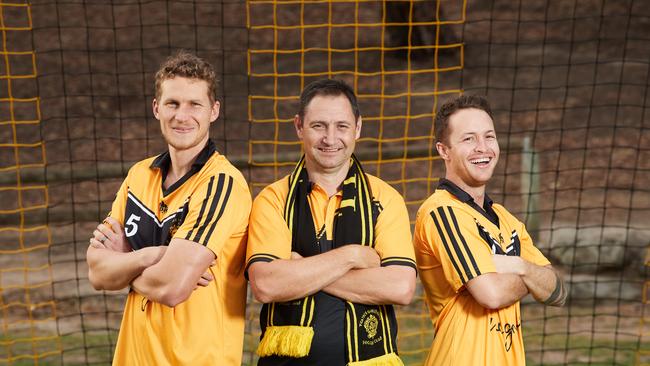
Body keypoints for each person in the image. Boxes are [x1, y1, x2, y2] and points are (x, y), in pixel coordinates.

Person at [85, 51, 251, 365]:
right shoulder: (139, 175)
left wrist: (125, 263)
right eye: (173, 103)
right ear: (156, 108)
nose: (182, 115)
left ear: (213, 111)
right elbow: (96, 273)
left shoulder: (222, 183)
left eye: (195, 104)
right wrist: (152, 256)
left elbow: (173, 287)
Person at [246, 79, 417, 366]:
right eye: (318, 126)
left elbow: (399, 288)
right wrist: (352, 256)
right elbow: (266, 284)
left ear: (358, 128)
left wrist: (301, 268)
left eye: (341, 126)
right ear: (299, 126)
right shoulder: (273, 199)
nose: (330, 138)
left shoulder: (384, 199)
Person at [413, 94, 567, 365]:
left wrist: (518, 265)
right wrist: (533, 278)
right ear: (444, 150)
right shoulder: (441, 212)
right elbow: (490, 294)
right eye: (468, 139)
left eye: (489, 136)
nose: (482, 148)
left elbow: (557, 291)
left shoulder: (506, 219)